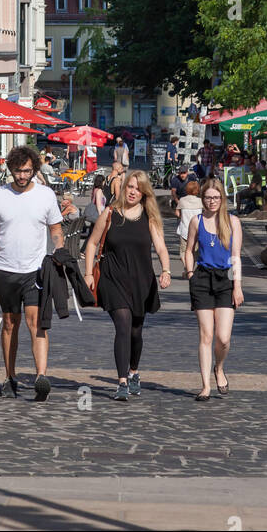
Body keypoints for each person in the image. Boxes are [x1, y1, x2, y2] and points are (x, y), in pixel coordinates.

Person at [0, 145, 63, 401]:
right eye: (18, 171)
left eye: (27, 171)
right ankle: (10, 377)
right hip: (5, 270)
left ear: (34, 169)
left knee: (35, 322)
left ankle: (41, 377)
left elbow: (56, 229)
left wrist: (59, 249)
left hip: (35, 270)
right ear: (11, 169)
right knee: (9, 324)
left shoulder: (46, 196)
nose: (22, 176)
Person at [84, 170, 172, 401]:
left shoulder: (149, 218)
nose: (133, 191)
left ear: (144, 193)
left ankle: (133, 371)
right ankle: (122, 381)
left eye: (138, 188)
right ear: (124, 188)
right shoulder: (110, 213)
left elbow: (161, 247)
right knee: (123, 325)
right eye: (130, 187)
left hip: (141, 280)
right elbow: (92, 243)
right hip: (113, 278)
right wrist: (88, 274)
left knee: (136, 332)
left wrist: (166, 270)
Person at [184, 179, 244, 400]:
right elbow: (189, 250)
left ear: (222, 199)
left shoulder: (232, 222)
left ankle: (219, 368)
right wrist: (190, 273)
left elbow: (236, 256)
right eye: (208, 197)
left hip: (225, 279)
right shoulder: (196, 221)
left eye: (216, 198)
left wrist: (237, 286)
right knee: (206, 334)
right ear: (203, 199)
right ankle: (206, 386)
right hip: (202, 279)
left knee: (223, 337)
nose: (212, 201)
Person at [176, 181, 203, 266]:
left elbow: (177, 213)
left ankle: (186, 267)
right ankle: (191, 268)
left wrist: (182, 216)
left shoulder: (182, 200)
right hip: (197, 230)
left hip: (184, 229)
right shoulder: (200, 201)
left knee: (183, 251)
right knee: (194, 251)